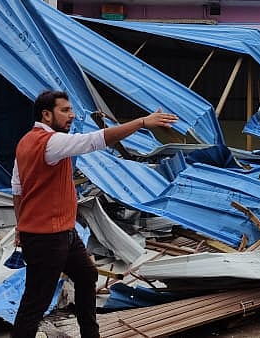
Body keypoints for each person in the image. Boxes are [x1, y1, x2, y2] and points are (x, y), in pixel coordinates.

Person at [11, 90, 177, 338]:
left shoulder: (25, 142)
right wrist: (142, 122)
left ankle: (90, 334)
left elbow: (17, 188)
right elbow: (95, 140)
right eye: (65, 110)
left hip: (61, 232)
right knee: (36, 301)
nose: (72, 115)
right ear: (46, 115)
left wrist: (20, 225)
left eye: (71, 109)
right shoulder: (51, 143)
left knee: (86, 274)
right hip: (48, 236)